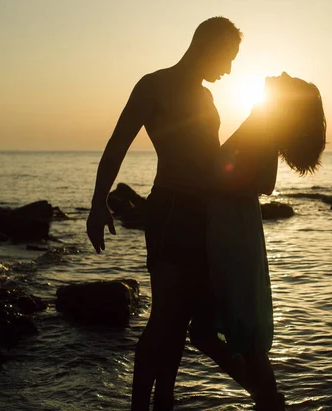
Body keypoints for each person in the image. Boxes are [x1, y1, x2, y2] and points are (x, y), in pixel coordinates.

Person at [86, 17, 249, 411]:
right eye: (226, 58)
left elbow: (211, 159)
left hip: (203, 214)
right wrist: (97, 203)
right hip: (172, 208)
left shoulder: (206, 99)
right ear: (206, 45)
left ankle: (165, 403)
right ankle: (140, 405)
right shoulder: (154, 85)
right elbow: (117, 143)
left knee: (181, 320)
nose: (228, 70)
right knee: (165, 318)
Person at [206, 72, 327, 411]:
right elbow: (265, 180)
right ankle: (267, 400)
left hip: (232, 228)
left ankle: (268, 401)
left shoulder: (263, 122)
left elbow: (260, 181)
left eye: (288, 78)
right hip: (235, 224)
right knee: (225, 332)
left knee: (238, 333)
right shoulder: (262, 119)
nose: (281, 73)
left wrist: (207, 180)